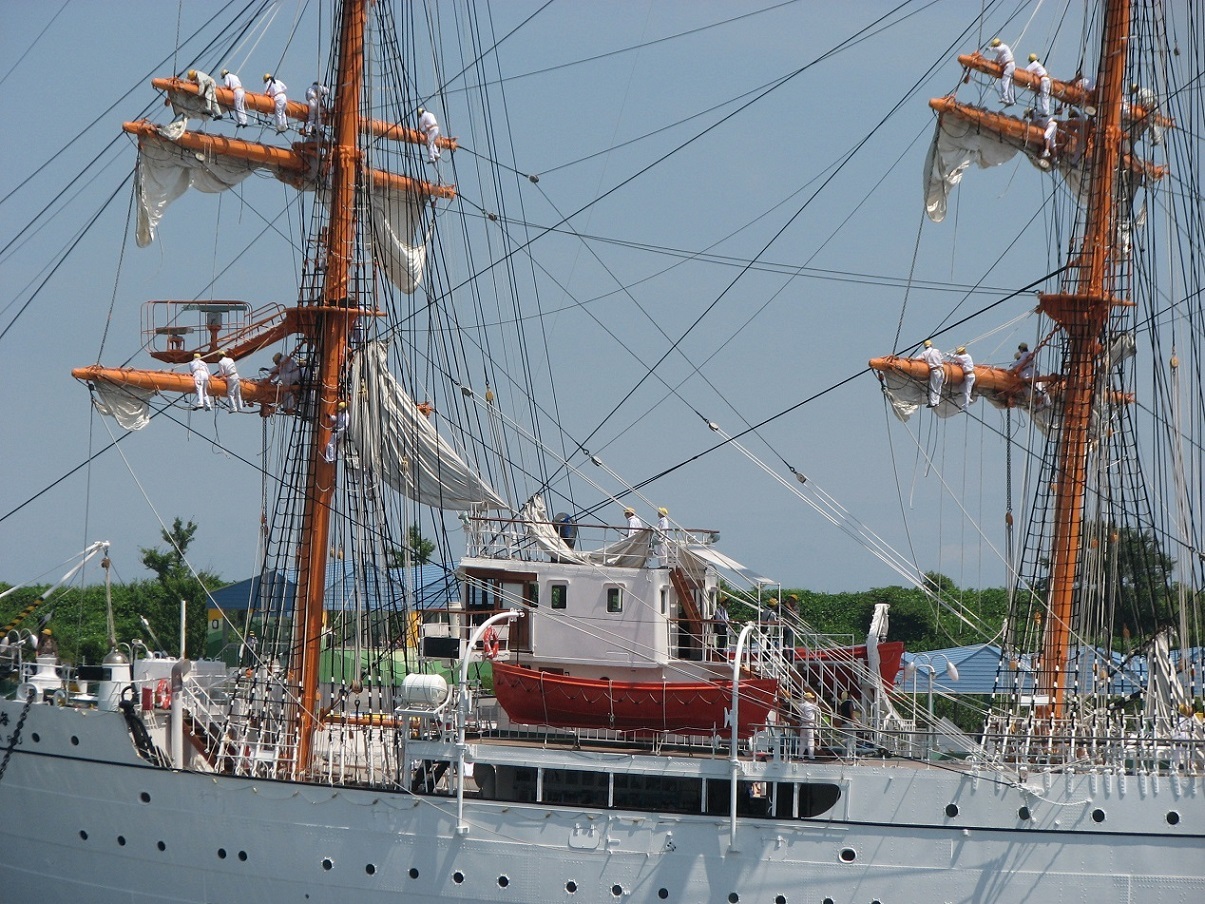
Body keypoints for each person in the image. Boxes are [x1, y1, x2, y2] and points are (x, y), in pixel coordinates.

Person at [989, 38, 1016, 106]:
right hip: (1010, 66)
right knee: (1009, 84)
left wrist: (990, 48)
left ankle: (1005, 98)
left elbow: (998, 49)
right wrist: (994, 61)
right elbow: (997, 58)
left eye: (995, 46)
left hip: (1009, 65)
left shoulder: (1004, 47)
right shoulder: (1001, 52)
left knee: (1004, 81)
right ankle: (1011, 100)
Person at [918, 339, 944, 408]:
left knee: (933, 387)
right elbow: (941, 358)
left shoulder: (924, 353)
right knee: (938, 387)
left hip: (934, 371)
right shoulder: (937, 350)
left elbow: (917, 359)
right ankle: (937, 402)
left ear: (925, 347)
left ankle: (932, 403)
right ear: (931, 345)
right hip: (941, 370)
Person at [948, 345, 975, 410]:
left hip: (969, 375)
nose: (959, 354)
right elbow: (959, 360)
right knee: (962, 388)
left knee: (967, 390)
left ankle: (966, 405)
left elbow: (957, 358)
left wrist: (949, 355)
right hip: (967, 375)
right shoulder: (965, 357)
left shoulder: (966, 357)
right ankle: (968, 399)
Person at [798, 690, 820, 760]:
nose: (812, 699)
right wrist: (815, 701)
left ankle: (800, 755)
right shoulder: (810, 706)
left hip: (803, 725)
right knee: (810, 741)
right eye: (811, 698)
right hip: (809, 725)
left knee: (802, 741)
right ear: (808, 698)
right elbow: (816, 707)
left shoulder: (801, 706)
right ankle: (811, 755)